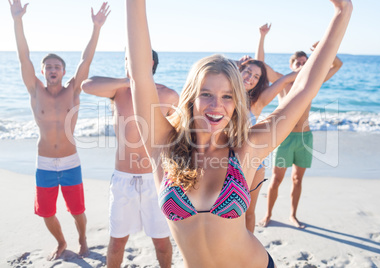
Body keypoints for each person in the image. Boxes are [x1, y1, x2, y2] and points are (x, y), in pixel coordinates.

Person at [126, 0, 352, 267]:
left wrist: (342, 13)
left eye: (227, 96)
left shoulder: (248, 147)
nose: (216, 106)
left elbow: (303, 88)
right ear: (190, 98)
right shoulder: (164, 144)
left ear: (236, 103)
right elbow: (139, 76)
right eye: (206, 94)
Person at [9, 0, 109, 260]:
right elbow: (23, 57)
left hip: (70, 161)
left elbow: (87, 59)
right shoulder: (35, 91)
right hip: (43, 163)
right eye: (48, 67)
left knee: (77, 210)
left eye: (57, 66)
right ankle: (62, 241)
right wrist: (17, 21)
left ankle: (83, 238)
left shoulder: (73, 91)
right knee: (45, 212)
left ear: (64, 71)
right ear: (42, 72)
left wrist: (96, 28)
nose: (53, 70)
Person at [81, 50, 178, 268]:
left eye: (132, 58)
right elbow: (87, 85)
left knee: (161, 242)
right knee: (117, 242)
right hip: (123, 180)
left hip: (155, 180)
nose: (127, 63)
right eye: (126, 60)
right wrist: (130, 80)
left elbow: (179, 136)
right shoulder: (119, 91)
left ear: (150, 62)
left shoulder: (168, 95)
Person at [256, 22, 344, 229]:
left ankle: (293, 216)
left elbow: (337, 65)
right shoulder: (283, 82)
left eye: (305, 62)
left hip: (305, 138)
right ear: (291, 65)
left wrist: (323, 45)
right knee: (276, 180)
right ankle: (268, 214)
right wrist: (262, 37)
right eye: (298, 62)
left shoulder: (312, 82)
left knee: (297, 180)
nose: (302, 65)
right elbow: (260, 64)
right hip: (284, 138)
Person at [234, 58, 298, 233]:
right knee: (228, 212)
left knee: (248, 211)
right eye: (247, 72)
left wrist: (313, 68)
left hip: (253, 163)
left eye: (256, 76)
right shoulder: (223, 95)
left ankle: (247, 251)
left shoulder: (256, 103)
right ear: (238, 70)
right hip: (225, 162)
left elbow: (285, 80)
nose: (251, 78)